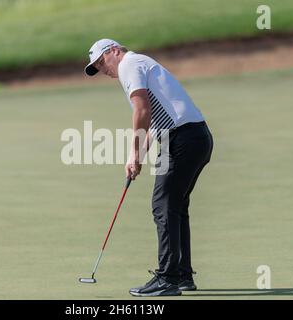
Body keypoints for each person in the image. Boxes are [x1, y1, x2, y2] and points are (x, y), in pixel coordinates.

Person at [84, 39, 213, 297]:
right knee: (174, 207)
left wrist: (132, 152)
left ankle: (167, 279)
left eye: (101, 62)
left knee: (163, 205)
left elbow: (141, 109)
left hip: (183, 138)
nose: (102, 69)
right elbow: (154, 122)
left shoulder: (129, 64)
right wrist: (139, 157)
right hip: (196, 137)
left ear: (114, 51)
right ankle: (181, 274)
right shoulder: (140, 65)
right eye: (97, 67)